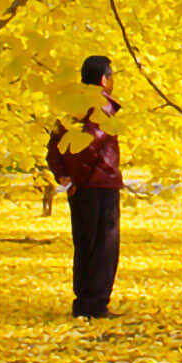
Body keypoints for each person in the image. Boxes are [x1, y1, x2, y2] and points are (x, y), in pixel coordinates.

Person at [47, 55, 124, 318]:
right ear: (104, 79)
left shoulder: (71, 106)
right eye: (111, 76)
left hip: (81, 184)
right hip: (98, 184)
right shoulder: (100, 106)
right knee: (103, 246)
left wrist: (63, 175)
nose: (113, 81)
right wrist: (75, 179)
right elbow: (89, 146)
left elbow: (54, 144)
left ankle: (84, 303)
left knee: (85, 243)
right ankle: (95, 304)